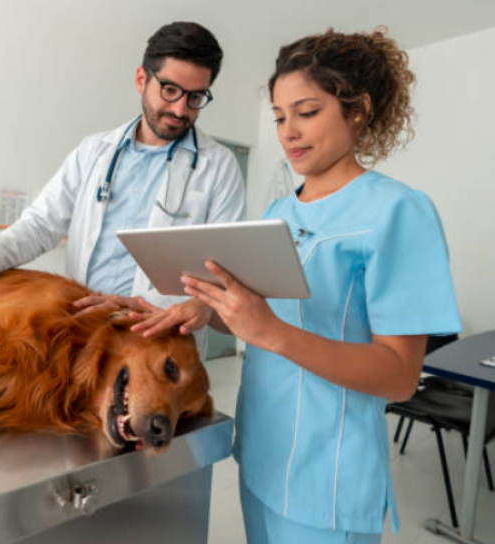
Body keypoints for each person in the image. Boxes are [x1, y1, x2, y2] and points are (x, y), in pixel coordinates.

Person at [134, 28, 462, 543]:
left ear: (357, 110)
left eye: (307, 112)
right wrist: (205, 310)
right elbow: (264, 318)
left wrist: (268, 332)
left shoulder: (398, 211)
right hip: (261, 453)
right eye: (281, 117)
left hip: (328, 478)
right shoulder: (279, 213)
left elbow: (400, 375)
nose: (289, 132)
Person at [0, 21, 246, 356]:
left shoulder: (218, 166)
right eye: (170, 90)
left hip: (159, 345)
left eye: (195, 97)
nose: (180, 109)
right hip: (83, 331)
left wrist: (204, 306)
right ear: (142, 80)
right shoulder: (94, 152)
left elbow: (228, 274)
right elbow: (41, 223)